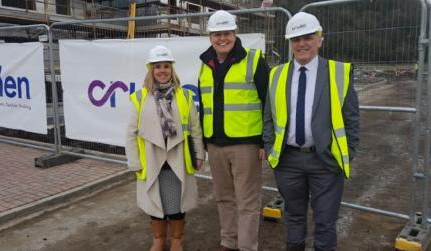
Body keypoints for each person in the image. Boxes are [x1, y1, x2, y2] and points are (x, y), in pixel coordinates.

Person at [263, 12, 360, 251]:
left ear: (319, 39)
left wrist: (345, 152)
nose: (302, 43)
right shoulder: (277, 74)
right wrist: (270, 148)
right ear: (290, 43)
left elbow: (352, 121)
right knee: (294, 217)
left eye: (308, 37)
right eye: (296, 39)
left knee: (325, 222)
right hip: (288, 161)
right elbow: (268, 118)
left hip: (325, 161)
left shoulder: (338, 73)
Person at [197, 10, 270, 251]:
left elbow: (269, 104)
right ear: (210, 37)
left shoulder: (254, 60)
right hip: (215, 145)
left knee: (247, 202)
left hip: (245, 146)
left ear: (235, 33)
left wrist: (263, 142)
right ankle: (228, 242)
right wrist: (203, 145)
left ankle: (247, 247)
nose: (222, 39)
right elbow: (204, 107)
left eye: (226, 33)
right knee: (223, 198)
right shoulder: (204, 64)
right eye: (217, 34)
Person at [125, 45, 205, 251]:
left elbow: (195, 128)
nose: (162, 70)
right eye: (158, 66)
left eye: (166, 66)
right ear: (151, 70)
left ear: (172, 69)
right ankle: (158, 239)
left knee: (177, 202)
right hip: (152, 159)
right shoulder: (140, 98)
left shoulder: (185, 96)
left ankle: (177, 238)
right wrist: (134, 161)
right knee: (156, 201)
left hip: (178, 157)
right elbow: (131, 133)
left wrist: (199, 154)